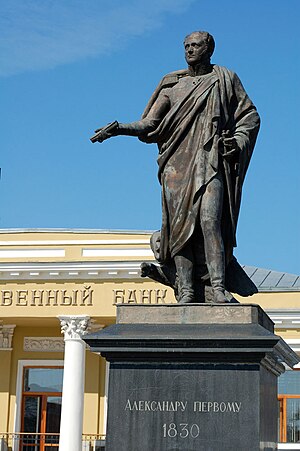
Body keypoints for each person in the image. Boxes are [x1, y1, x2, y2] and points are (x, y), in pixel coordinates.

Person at [91, 31, 260, 304]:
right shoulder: (172, 85)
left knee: (210, 220)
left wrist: (238, 141)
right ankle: (186, 290)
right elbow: (149, 124)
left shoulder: (224, 79)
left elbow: (249, 115)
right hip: (176, 167)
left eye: (195, 45)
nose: (190, 50)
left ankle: (218, 286)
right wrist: (120, 128)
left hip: (210, 161)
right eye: (186, 46)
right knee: (179, 229)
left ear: (209, 49)